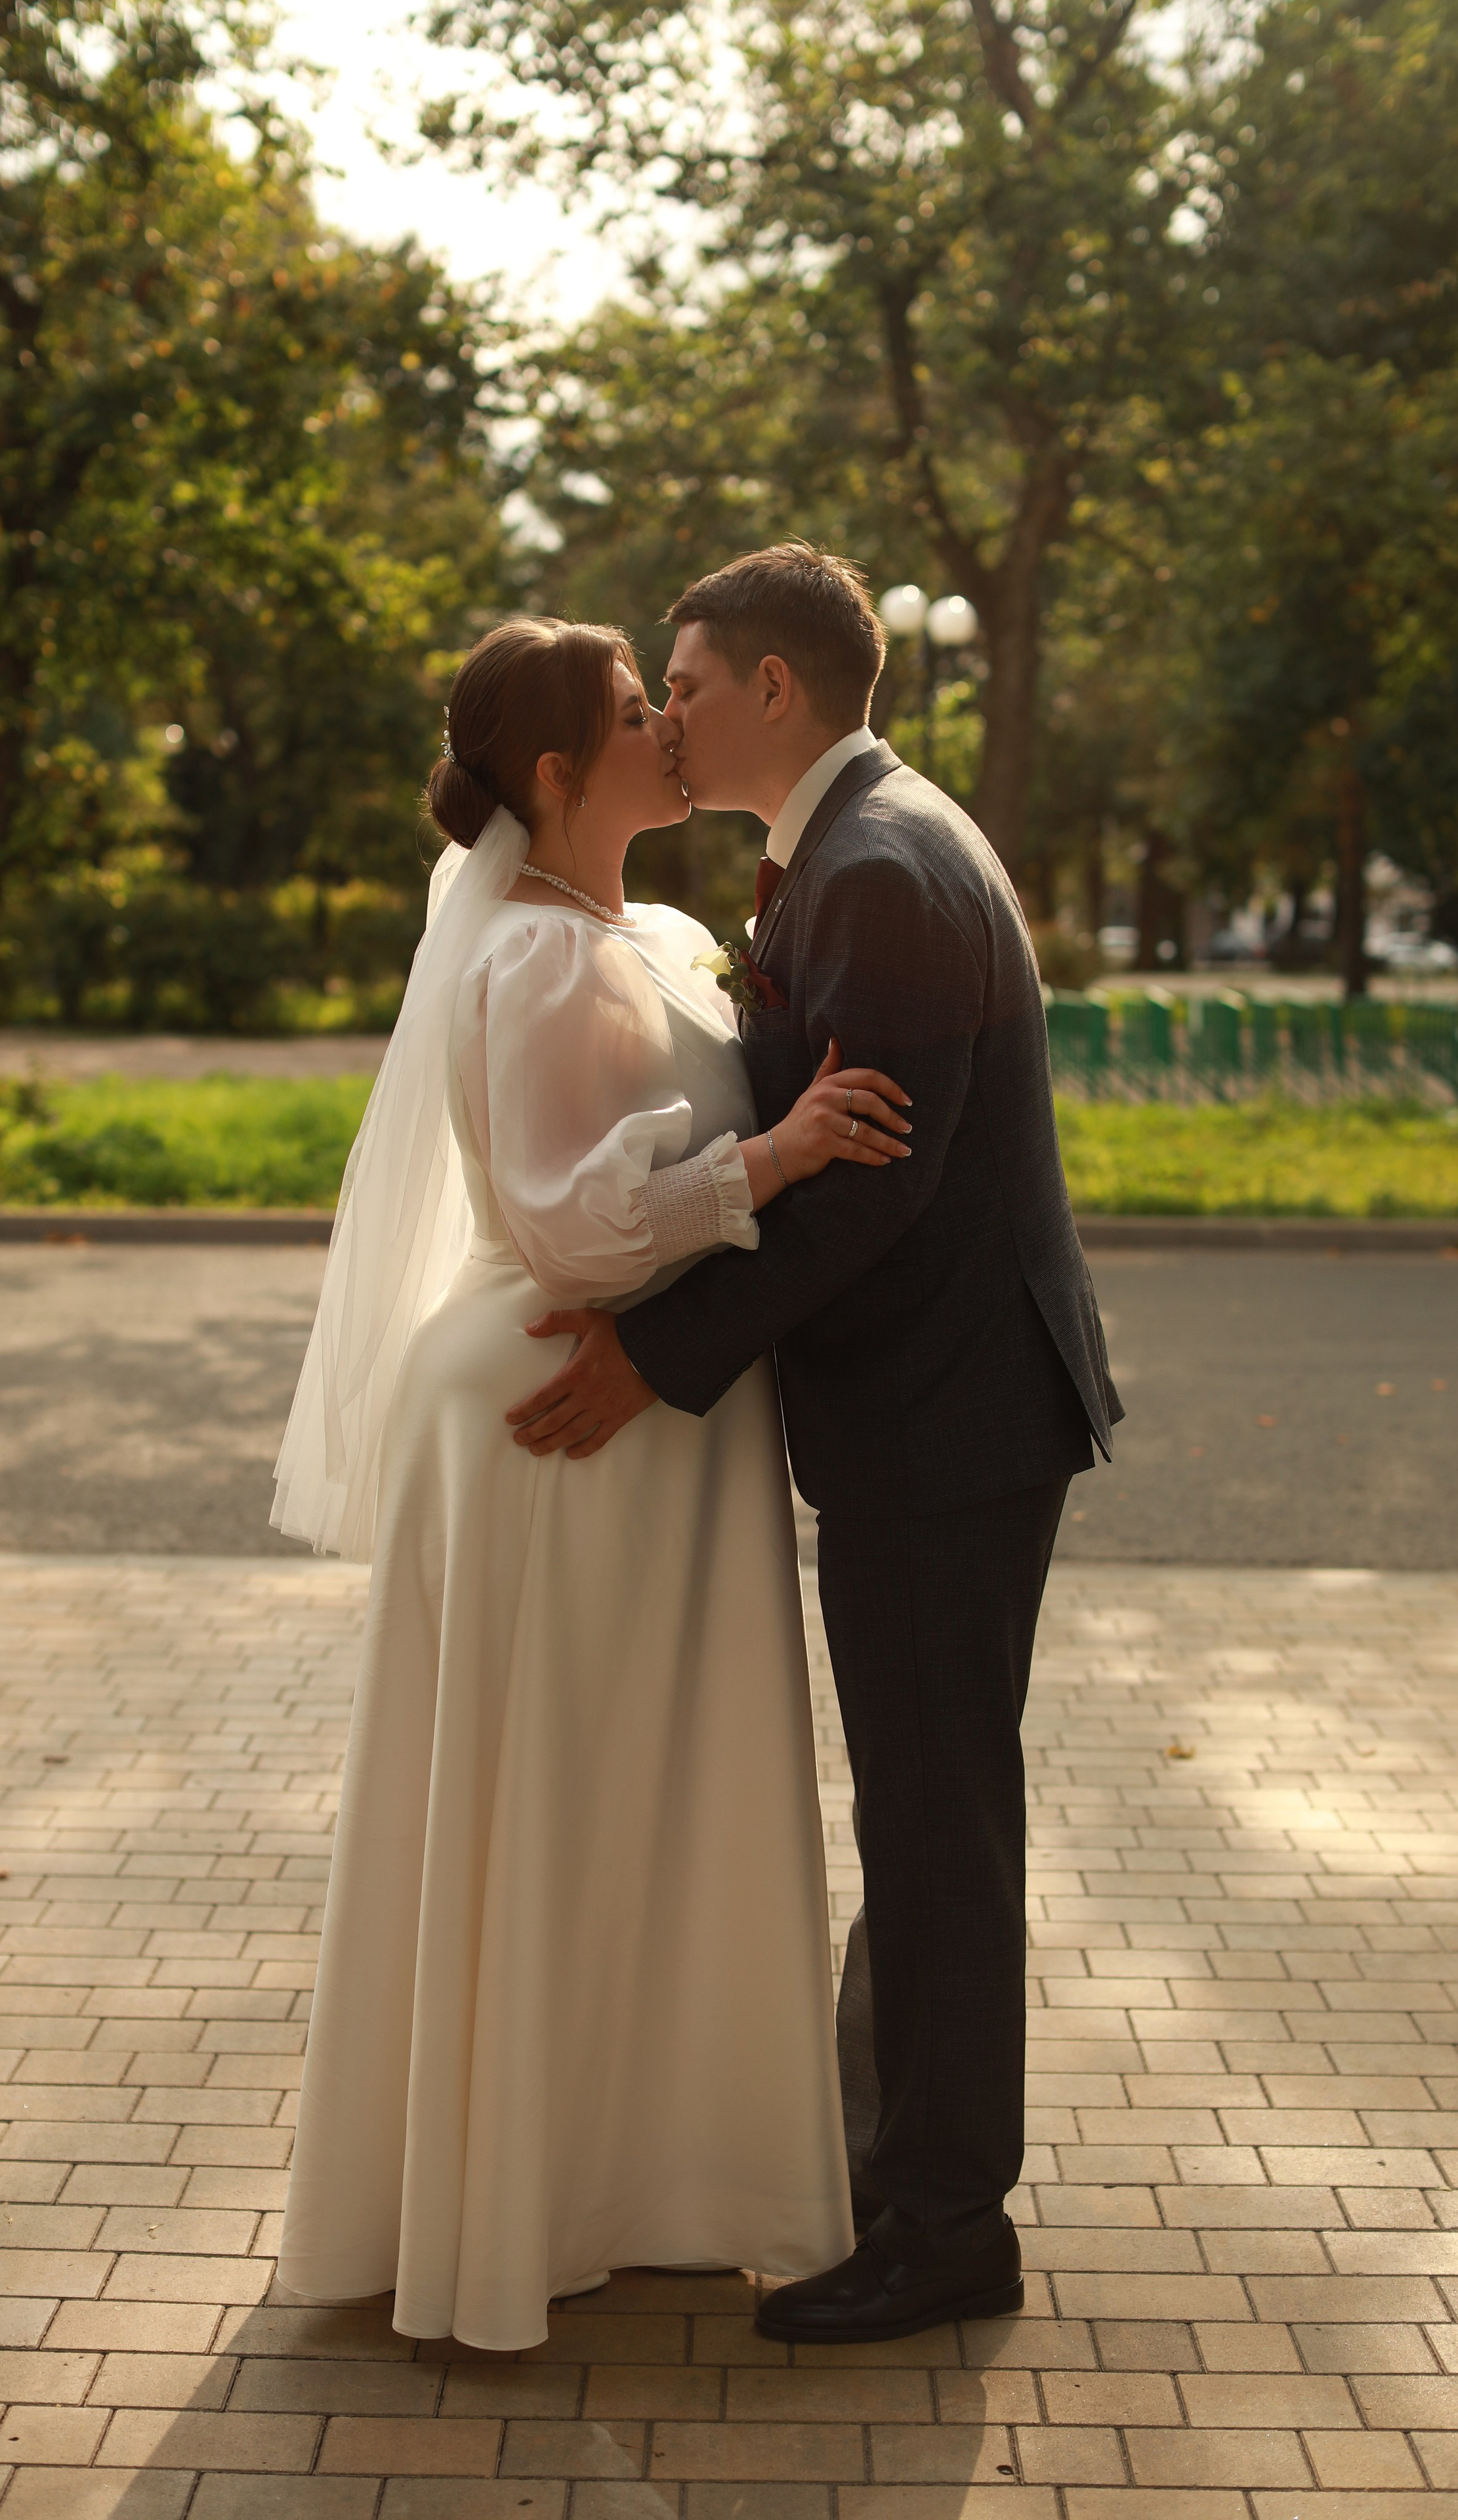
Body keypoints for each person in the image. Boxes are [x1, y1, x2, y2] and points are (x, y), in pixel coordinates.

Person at [270, 615, 914, 2352]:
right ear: (562, 777)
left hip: (651, 1434)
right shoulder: (541, 963)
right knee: (559, 1812)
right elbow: (565, 1224)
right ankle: (525, 2201)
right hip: (565, 1425)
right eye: (640, 712)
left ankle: (649, 2173)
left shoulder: (667, 935)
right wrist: (770, 1159)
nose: (669, 728)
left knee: (643, 1804)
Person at [505, 546, 1123, 2346]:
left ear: (775, 689)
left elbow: (872, 1192)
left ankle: (944, 2226)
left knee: (939, 1822)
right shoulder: (859, 846)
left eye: (684, 683)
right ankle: (893, 2165)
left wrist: (654, 1362)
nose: (666, 717)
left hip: (951, 1421)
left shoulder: (884, 868)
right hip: (940, 1415)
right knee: (930, 1809)